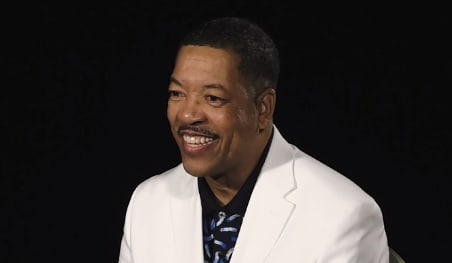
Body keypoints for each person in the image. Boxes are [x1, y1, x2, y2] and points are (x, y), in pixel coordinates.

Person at [118, 16, 389, 263]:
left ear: (263, 109)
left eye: (214, 98)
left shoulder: (343, 215)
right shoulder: (146, 203)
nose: (187, 114)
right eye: (177, 93)